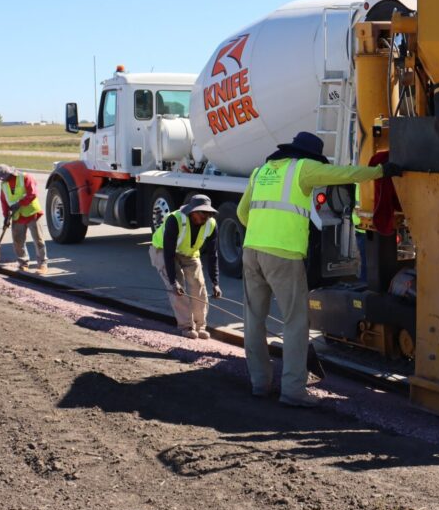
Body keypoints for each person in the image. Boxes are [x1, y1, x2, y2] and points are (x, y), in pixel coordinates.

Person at [237, 131, 401, 407]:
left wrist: (261, 230)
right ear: (309, 155)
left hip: (251, 251)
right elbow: (345, 174)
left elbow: (243, 213)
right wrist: (381, 171)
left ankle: (260, 383)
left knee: (253, 320)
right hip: (283, 254)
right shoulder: (303, 168)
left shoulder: (260, 172)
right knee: (295, 322)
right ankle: (292, 391)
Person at [150, 194, 221, 340]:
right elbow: (168, 254)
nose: (206, 217)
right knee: (178, 289)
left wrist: (215, 283)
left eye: (209, 213)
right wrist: (173, 281)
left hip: (189, 253)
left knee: (198, 285)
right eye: (203, 213)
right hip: (163, 250)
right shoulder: (175, 220)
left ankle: (200, 326)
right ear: (192, 211)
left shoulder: (211, 224)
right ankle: (186, 326)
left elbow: (213, 254)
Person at [0, 164, 48, 273]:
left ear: (10, 173)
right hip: (17, 216)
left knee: (38, 240)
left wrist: (19, 203)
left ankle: (42, 264)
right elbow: (4, 201)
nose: (2, 180)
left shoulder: (25, 177)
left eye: (3, 177)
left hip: (32, 213)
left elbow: (32, 194)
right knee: (18, 241)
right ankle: (23, 263)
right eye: (0, 178)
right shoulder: (3, 184)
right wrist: (6, 217)